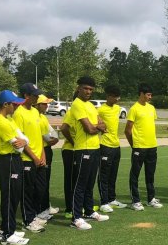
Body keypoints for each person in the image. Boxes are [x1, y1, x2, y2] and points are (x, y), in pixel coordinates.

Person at [67, 76, 109, 230]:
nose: (88, 91)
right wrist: (98, 127)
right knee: (80, 184)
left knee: (90, 183)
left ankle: (89, 211)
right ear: (78, 88)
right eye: (85, 88)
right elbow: (90, 129)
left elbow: (103, 124)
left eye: (91, 89)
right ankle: (76, 218)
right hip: (83, 149)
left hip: (95, 147)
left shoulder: (90, 105)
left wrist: (97, 126)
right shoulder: (77, 104)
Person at [0, 91, 30, 245]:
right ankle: (7, 233)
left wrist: (24, 141)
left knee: (14, 195)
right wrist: (24, 141)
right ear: (6, 104)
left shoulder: (8, 120)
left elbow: (24, 139)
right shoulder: (0, 121)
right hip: (8, 160)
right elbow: (18, 146)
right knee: (9, 196)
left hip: (14, 159)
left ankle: (7, 228)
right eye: (14, 104)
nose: (16, 106)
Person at [13, 83, 47, 233]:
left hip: (39, 158)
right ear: (26, 96)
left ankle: (32, 215)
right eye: (34, 95)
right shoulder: (18, 113)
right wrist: (34, 157)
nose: (37, 98)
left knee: (40, 189)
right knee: (27, 191)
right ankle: (28, 220)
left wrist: (42, 155)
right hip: (27, 159)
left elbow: (39, 136)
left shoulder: (35, 112)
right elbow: (20, 140)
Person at [125, 83, 162, 211]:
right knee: (135, 175)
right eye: (148, 95)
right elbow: (127, 130)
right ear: (141, 94)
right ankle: (135, 201)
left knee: (150, 174)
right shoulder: (134, 109)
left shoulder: (151, 108)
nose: (150, 97)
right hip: (139, 147)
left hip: (152, 146)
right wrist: (134, 145)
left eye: (151, 95)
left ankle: (151, 199)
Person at [97, 85, 128, 213]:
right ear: (108, 96)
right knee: (104, 175)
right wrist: (100, 126)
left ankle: (111, 199)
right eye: (115, 97)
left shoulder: (117, 108)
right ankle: (104, 202)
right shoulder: (100, 110)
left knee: (113, 174)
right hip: (105, 145)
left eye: (118, 97)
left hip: (116, 145)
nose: (117, 99)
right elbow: (95, 122)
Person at [34, 94, 60, 218]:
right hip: (40, 150)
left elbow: (53, 135)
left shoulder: (43, 117)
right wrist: (52, 139)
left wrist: (54, 139)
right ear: (37, 104)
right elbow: (48, 137)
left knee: (46, 179)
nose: (46, 106)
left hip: (47, 150)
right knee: (40, 181)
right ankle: (39, 208)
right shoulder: (35, 117)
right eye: (44, 104)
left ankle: (45, 206)